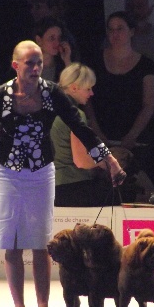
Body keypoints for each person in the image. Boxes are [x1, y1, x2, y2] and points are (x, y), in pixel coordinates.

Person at [0, 40, 126, 307]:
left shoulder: (52, 93)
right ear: (15, 65)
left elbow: (81, 128)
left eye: (39, 62)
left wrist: (110, 161)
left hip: (42, 171)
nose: (35, 68)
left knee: (42, 242)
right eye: (29, 63)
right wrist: (1, 143)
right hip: (6, 173)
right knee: (13, 243)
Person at [86, 11, 154, 189]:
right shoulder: (94, 60)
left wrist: (131, 137)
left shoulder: (146, 65)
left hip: (135, 140)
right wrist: (97, 132)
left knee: (134, 187)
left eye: (120, 29)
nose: (115, 34)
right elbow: (86, 98)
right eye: (110, 29)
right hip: (101, 134)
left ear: (132, 31)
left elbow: (148, 105)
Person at [50, 62, 115, 206]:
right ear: (74, 88)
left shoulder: (47, 111)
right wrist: (107, 163)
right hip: (73, 187)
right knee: (119, 194)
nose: (91, 93)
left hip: (50, 188)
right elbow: (81, 161)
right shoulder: (75, 115)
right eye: (88, 89)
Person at [33, 16, 73, 82]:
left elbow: (77, 88)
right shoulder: (28, 65)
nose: (57, 42)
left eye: (59, 38)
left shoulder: (62, 65)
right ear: (39, 40)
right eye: (52, 38)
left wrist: (67, 60)